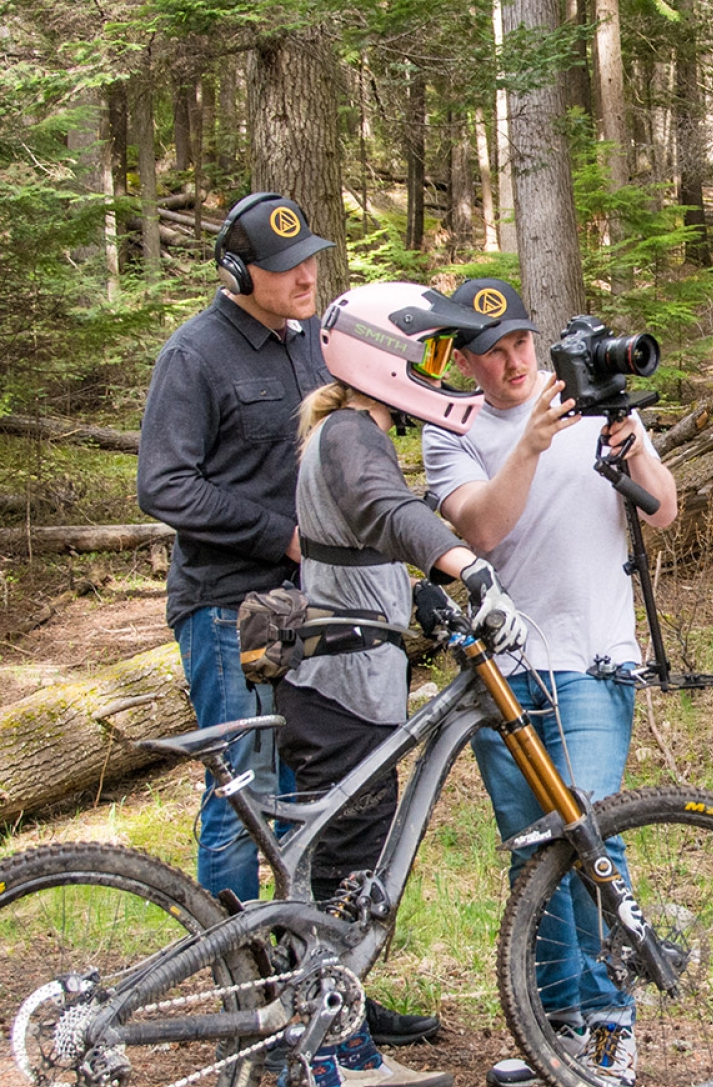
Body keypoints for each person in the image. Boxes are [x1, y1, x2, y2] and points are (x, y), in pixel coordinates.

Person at [136, 194, 437, 1051]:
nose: (308, 274)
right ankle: (250, 1005)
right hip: (233, 606)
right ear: (240, 274)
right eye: (287, 264)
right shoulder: (194, 354)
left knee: (326, 804)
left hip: (323, 605)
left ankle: (327, 989)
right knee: (244, 796)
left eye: (312, 257)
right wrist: (283, 533)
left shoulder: (319, 343)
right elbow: (164, 485)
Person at [420, 279, 679, 1087]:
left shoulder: (593, 403)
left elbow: (664, 510)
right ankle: (554, 1027)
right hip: (503, 671)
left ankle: (610, 1028)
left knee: (590, 838)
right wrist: (529, 442)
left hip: (594, 656)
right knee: (532, 855)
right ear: (464, 360)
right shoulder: (450, 431)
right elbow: (482, 528)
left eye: (522, 342)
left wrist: (630, 441)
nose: (514, 361)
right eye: (494, 351)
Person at [279, 281, 511, 1087]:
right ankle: (334, 1058)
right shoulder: (349, 433)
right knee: (350, 867)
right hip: (340, 683)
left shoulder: (351, 429)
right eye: (433, 353)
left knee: (349, 859)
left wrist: (426, 599)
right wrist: (464, 564)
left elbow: (354, 542)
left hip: (350, 675)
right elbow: (386, 513)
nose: (440, 369)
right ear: (382, 358)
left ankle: (323, 1038)